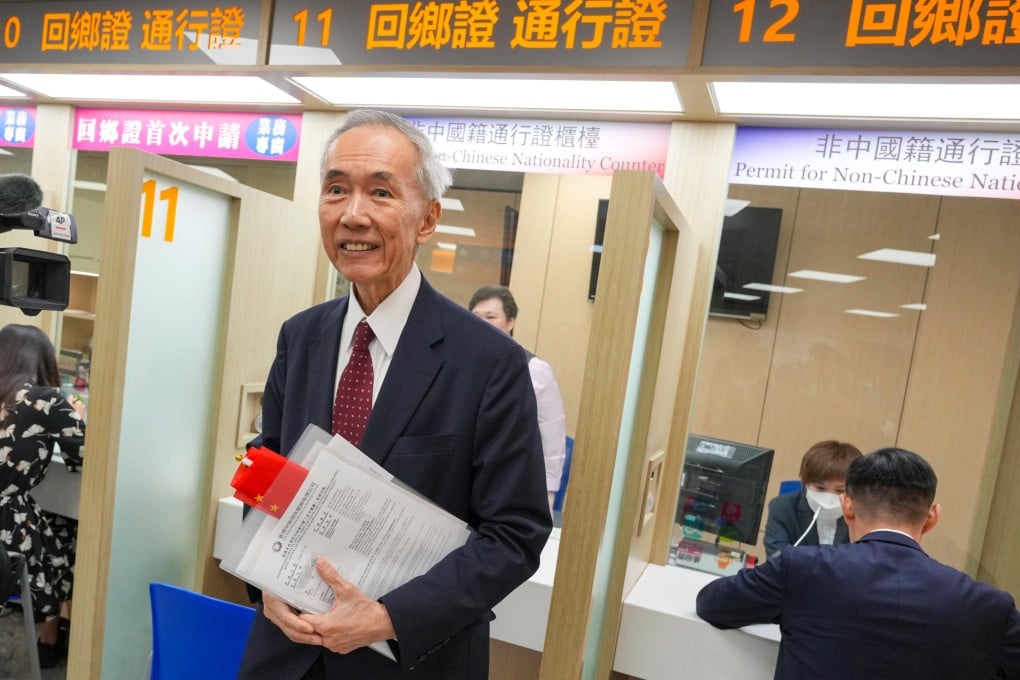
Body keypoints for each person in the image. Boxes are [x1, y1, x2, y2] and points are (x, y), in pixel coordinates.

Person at [236, 109, 551, 680]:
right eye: (336, 190)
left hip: (409, 662)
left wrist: (385, 617)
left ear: (427, 218)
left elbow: (515, 537)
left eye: (380, 192)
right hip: (284, 653)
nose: (353, 215)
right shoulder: (301, 336)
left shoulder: (491, 363)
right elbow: (268, 466)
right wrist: (263, 582)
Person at [696, 447, 1020, 680]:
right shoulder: (992, 606)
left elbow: (712, 604)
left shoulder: (802, 570)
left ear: (847, 508)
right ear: (932, 517)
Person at [0, 324, 85, 668]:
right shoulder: (45, 399)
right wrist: (75, 417)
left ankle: (48, 636)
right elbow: (84, 455)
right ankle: (50, 635)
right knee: (62, 532)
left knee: (55, 527)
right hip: (8, 527)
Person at [469, 284, 568, 511]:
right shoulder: (461, 363)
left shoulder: (535, 370)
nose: (482, 323)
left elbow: (552, 443)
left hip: (513, 484)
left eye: (491, 316)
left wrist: (547, 500)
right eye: (476, 316)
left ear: (511, 322)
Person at [762, 439, 861, 558]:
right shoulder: (782, 508)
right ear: (805, 483)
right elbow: (777, 559)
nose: (829, 497)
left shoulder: (864, 514)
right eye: (820, 488)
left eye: (840, 490)